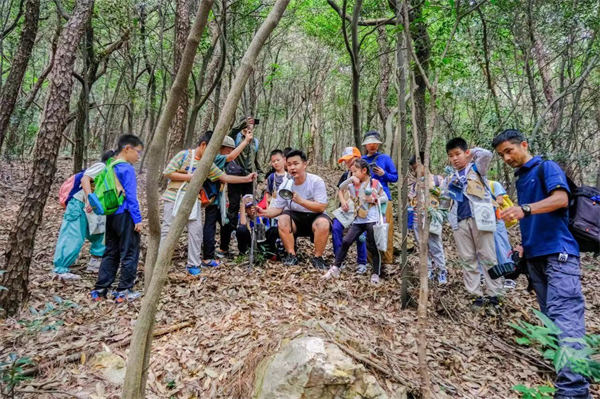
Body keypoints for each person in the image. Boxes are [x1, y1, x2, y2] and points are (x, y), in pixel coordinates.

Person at [493, 129, 589, 399]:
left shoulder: (547, 167)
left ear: (524, 144)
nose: (506, 158)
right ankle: (569, 381)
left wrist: (525, 209)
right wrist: (524, 246)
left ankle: (574, 391)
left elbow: (561, 199)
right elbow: (535, 219)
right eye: (501, 155)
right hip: (535, 257)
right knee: (552, 322)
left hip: (559, 254)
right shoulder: (522, 179)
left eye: (509, 151)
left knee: (566, 319)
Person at [161, 132, 257, 276]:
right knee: (168, 230)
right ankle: (161, 263)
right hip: (174, 196)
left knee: (196, 231)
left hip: (194, 200)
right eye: (212, 150)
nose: (213, 154)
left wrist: (246, 179)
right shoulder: (184, 155)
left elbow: (224, 177)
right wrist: (190, 177)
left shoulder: (208, 163)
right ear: (204, 145)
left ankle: (193, 264)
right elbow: (167, 173)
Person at [445, 137, 502, 312]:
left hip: (480, 219)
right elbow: (446, 201)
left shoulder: (477, 169)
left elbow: (486, 155)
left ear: (466, 153)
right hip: (459, 221)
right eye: (451, 155)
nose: (455, 158)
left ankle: (494, 295)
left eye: (458, 154)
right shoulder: (450, 177)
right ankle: (475, 294)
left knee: (488, 256)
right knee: (467, 258)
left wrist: (472, 152)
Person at [90, 135, 144, 303]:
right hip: (126, 214)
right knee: (129, 252)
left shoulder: (109, 166)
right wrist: (138, 219)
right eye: (138, 152)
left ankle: (100, 290)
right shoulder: (126, 168)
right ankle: (124, 291)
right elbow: (132, 198)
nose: (138, 156)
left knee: (111, 252)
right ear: (127, 148)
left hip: (111, 214)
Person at [257, 150, 331, 269]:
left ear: (305, 164)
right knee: (283, 219)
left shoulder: (316, 181)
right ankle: (292, 255)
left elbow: (321, 207)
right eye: (289, 164)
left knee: (323, 223)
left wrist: (301, 201)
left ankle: (318, 257)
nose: (292, 167)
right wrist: (263, 213)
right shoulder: (286, 184)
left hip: (315, 216)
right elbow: (278, 208)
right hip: (295, 217)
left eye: (296, 164)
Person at [52, 150, 115, 280]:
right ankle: (60, 269)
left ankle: (95, 263)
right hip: (79, 203)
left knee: (99, 233)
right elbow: (85, 178)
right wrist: (89, 198)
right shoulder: (102, 166)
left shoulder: (113, 173)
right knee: (73, 235)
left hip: (95, 206)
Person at [324, 159, 388, 284]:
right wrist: (350, 180)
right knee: (346, 241)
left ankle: (376, 273)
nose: (353, 174)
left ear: (364, 171)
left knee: (372, 245)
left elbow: (384, 196)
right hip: (358, 220)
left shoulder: (374, 183)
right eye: (351, 172)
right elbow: (341, 188)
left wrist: (375, 199)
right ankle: (335, 268)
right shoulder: (352, 185)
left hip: (372, 219)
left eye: (355, 172)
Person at [202, 133, 254, 267]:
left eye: (231, 149)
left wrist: (247, 179)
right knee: (210, 225)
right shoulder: (215, 158)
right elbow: (231, 158)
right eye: (227, 149)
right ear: (220, 148)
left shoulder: (215, 159)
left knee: (227, 224)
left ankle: (223, 248)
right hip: (212, 199)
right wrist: (246, 141)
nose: (229, 153)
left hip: (218, 199)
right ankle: (208, 257)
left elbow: (225, 177)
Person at [219, 116, 263, 258]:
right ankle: (224, 246)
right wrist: (242, 125)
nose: (248, 128)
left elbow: (256, 161)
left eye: (250, 125)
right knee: (232, 208)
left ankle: (250, 245)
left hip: (249, 178)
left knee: (250, 208)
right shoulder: (236, 139)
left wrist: (260, 176)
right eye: (246, 125)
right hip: (234, 176)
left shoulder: (255, 142)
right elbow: (230, 134)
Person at [408, 152, 447, 284]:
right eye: (413, 168)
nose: (415, 170)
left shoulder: (438, 180)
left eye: (417, 167)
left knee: (435, 245)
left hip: (433, 218)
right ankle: (428, 270)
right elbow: (411, 201)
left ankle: (441, 271)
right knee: (422, 247)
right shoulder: (414, 185)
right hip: (417, 219)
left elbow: (445, 197)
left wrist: (430, 188)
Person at [361, 131, 398, 265]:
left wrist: (384, 174)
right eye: (369, 143)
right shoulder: (362, 160)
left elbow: (395, 177)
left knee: (385, 229)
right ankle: (370, 261)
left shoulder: (385, 158)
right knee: (367, 231)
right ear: (365, 145)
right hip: (366, 200)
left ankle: (387, 261)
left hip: (383, 199)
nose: (372, 146)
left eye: (374, 143)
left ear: (378, 144)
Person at [333, 147, 368, 274]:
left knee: (361, 235)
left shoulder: (365, 175)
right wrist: (342, 201)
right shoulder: (345, 175)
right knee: (336, 228)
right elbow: (340, 190)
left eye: (350, 160)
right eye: (346, 161)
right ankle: (338, 259)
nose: (347, 163)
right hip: (346, 208)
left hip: (360, 210)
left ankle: (362, 262)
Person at [487, 179, 516, 289]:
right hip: (482, 222)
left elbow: (500, 200)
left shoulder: (493, 184)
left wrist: (484, 201)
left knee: (502, 246)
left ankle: (510, 275)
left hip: (497, 220)